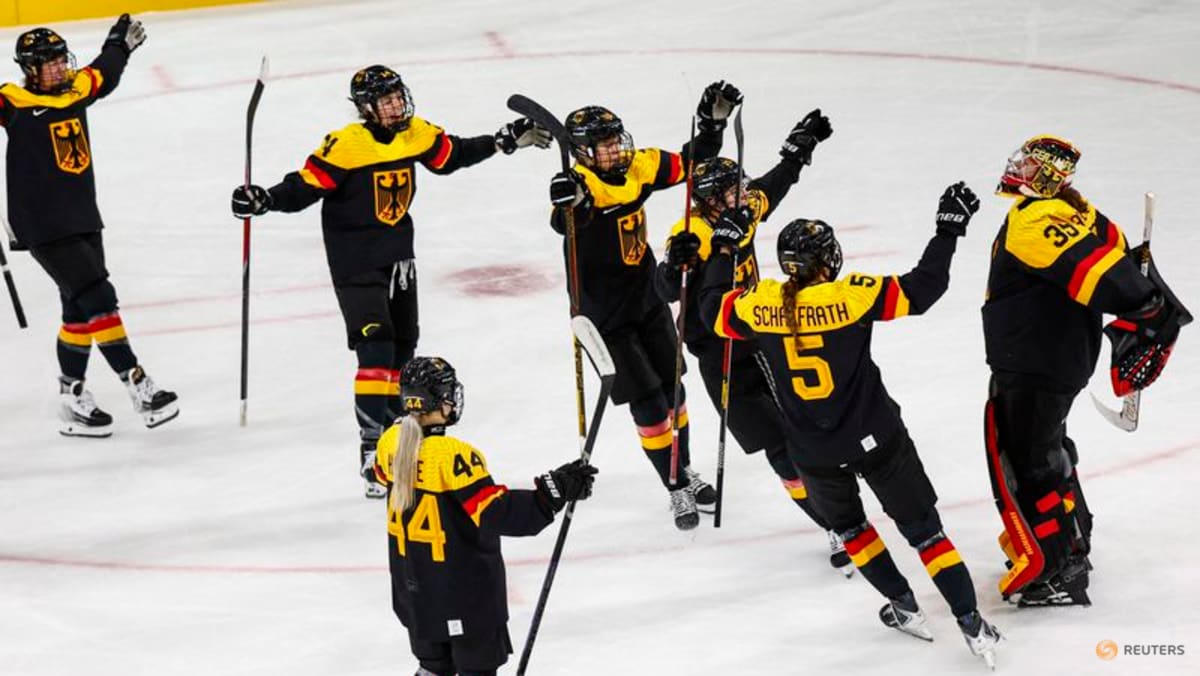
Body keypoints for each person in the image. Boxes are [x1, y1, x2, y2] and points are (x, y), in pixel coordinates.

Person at [699, 183, 1002, 666]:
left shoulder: (759, 303)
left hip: (812, 450)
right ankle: (970, 622)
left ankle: (904, 607)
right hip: (876, 434)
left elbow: (710, 310)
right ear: (826, 262)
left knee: (853, 529)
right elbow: (925, 288)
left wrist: (722, 249)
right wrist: (948, 231)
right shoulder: (852, 296)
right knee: (924, 531)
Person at [231, 65, 550, 498]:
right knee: (376, 347)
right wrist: (265, 199)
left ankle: (396, 438)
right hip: (355, 262)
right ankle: (369, 449)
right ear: (366, 108)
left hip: (399, 258)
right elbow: (304, 188)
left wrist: (502, 141)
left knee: (403, 349)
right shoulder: (347, 145)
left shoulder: (414, 133)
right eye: (386, 101)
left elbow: (451, 155)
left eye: (399, 97)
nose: (397, 106)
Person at [982, 135, 1189, 606]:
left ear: (1051, 176)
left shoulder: (1033, 221)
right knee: (1047, 447)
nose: (1019, 167)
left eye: (1031, 165)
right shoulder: (1081, 210)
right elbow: (1116, 252)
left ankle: (1059, 568)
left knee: (1030, 462)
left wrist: (1146, 306)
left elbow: (1104, 273)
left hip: (1035, 361)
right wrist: (1141, 290)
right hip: (1060, 355)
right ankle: (1074, 536)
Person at [653, 113, 851, 573]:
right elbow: (666, 292)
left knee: (806, 429)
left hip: (763, 340)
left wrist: (798, 152)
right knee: (777, 449)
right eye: (733, 191)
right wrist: (672, 267)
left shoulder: (739, 212)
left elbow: (772, 186)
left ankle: (840, 510)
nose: (743, 196)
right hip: (718, 356)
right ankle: (832, 522)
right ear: (709, 201)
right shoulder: (694, 234)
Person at [547, 81, 739, 530]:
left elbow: (694, 163)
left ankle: (685, 468)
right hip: (603, 317)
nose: (615, 151)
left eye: (616, 141)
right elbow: (565, 218)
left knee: (675, 390)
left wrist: (712, 125)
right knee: (650, 405)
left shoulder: (639, 167)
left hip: (648, 296)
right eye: (603, 145)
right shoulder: (579, 186)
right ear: (582, 153)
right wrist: (566, 203)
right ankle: (674, 486)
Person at [1, 16, 178, 437]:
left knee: (78, 311)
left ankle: (72, 397)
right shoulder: (11, 101)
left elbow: (105, 72)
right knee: (99, 295)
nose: (61, 68)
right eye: (51, 64)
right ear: (30, 69)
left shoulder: (75, 89)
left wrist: (119, 44)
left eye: (63, 59)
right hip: (40, 223)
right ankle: (137, 383)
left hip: (82, 215)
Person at [372, 356, 597, 676]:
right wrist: (554, 490)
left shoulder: (390, 443)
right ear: (442, 400)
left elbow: (384, 474)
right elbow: (498, 514)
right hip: (464, 598)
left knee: (432, 668)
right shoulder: (452, 456)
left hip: (414, 597)